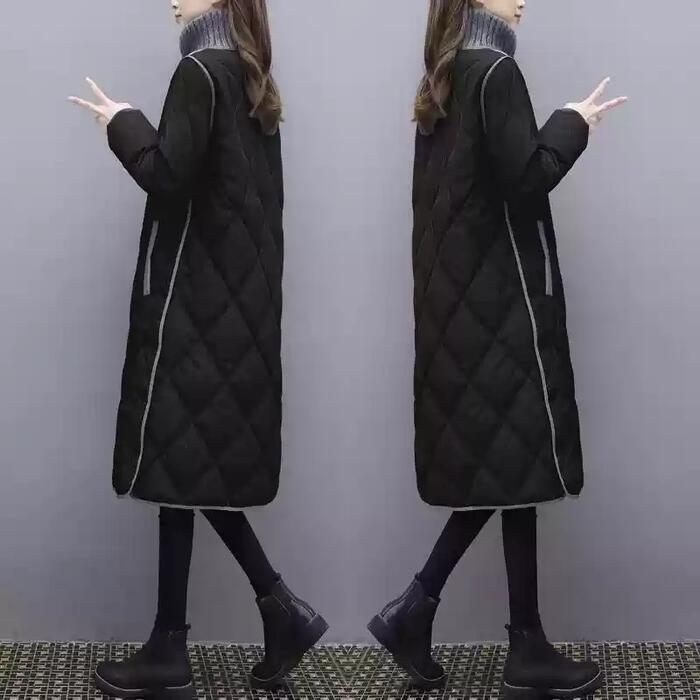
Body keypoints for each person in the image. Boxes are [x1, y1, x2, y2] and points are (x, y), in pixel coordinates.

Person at [367, 0, 627, 695]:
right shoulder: (496, 73)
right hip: (500, 308)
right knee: (512, 468)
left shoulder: (445, 75)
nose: (523, 0)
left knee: (510, 474)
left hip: (459, 306)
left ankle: (505, 637)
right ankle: (435, 615)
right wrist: (575, 123)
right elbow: (527, 176)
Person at [69, 1, 327, 696]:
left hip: (196, 309)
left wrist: (120, 121)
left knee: (182, 469)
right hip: (235, 309)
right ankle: (233, 625)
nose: (172, 1)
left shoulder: (198, 72)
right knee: (186, 474)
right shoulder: (249, 77)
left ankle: (203, 636)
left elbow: (167, 175)